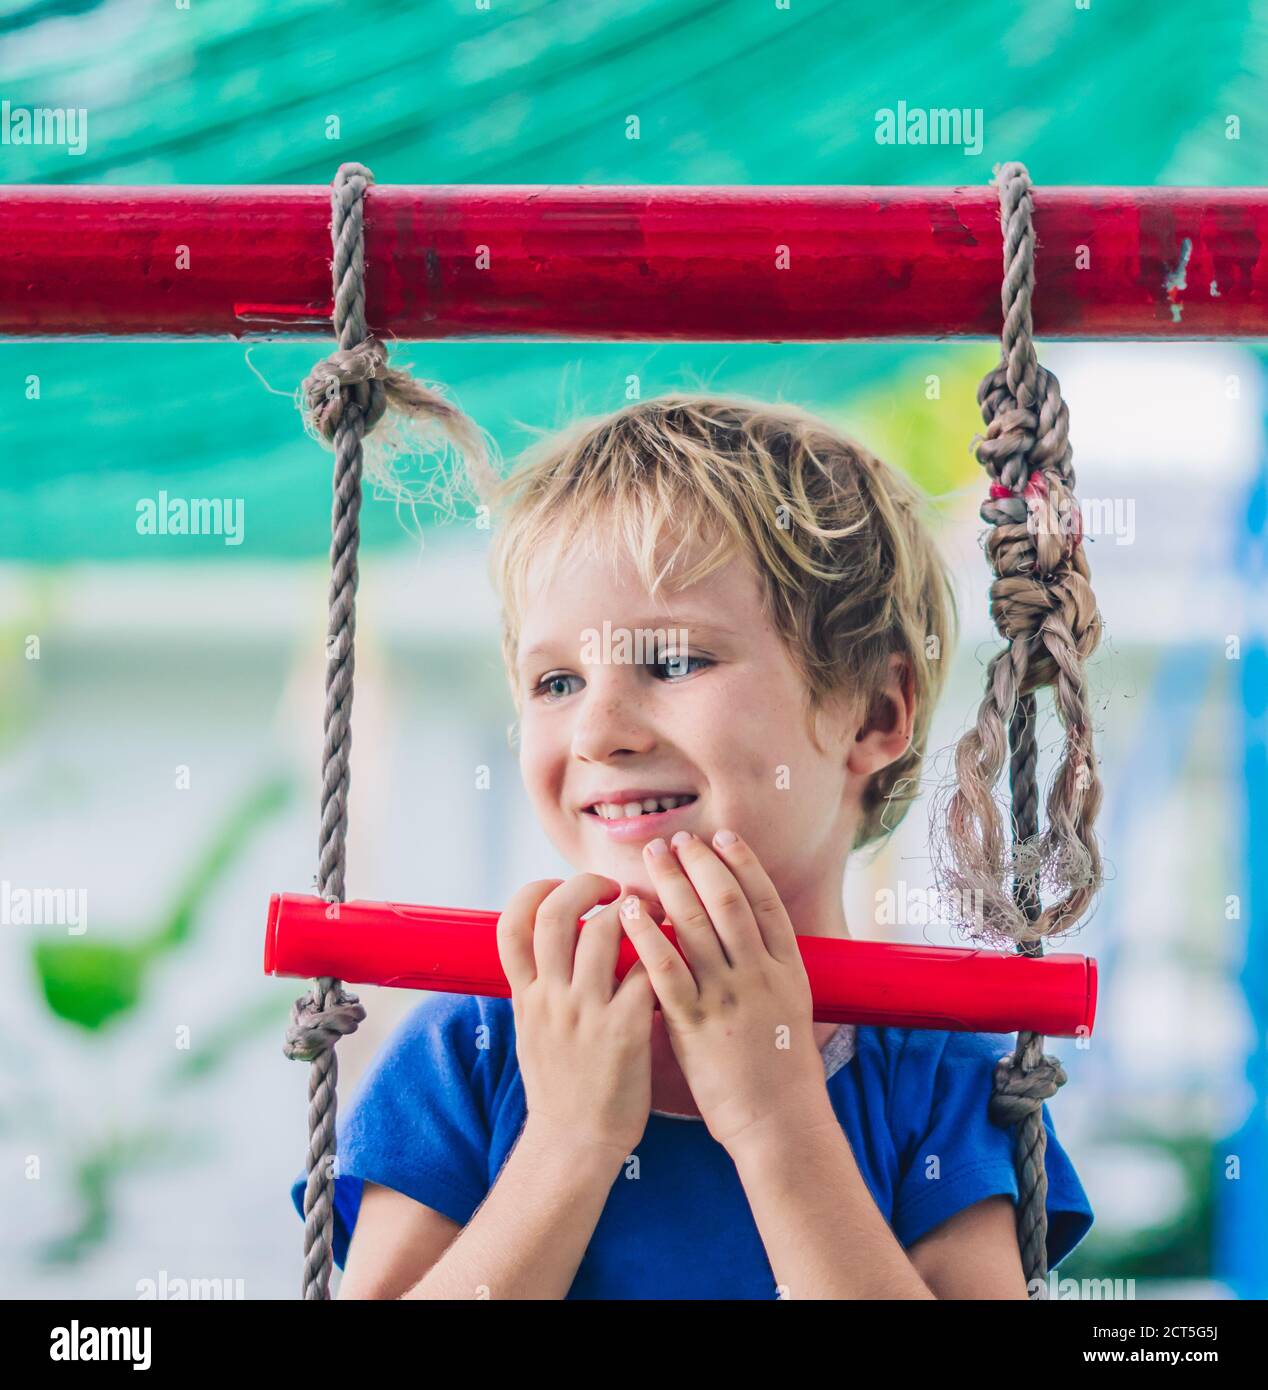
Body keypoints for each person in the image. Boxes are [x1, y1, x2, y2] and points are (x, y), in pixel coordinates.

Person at [289, 392, 1094, 1298]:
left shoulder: (935, 1080)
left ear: (873, 713)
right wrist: (568, 1140)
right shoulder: (471, 1053)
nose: (599, 730)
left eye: (674, 662)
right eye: (556, 680)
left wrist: (775, 1117)